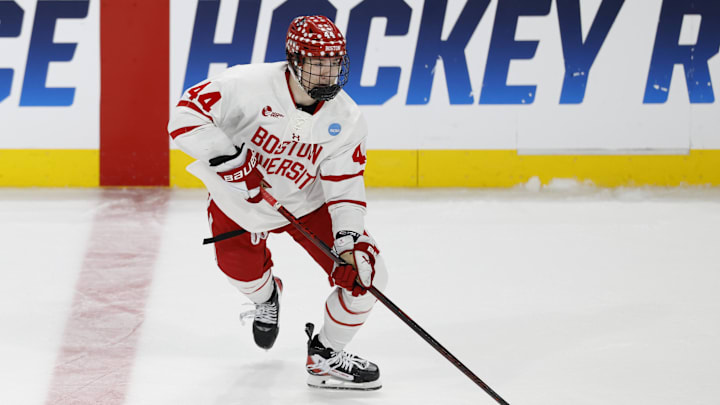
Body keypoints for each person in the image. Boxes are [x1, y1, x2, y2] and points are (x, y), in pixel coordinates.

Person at [167, 15, 388, 391]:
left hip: (307, 203)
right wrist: (232, 163)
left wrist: (349, 244)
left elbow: (345, 187)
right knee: (241, 274)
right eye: (318, 65)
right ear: (295, 61)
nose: (327, 74)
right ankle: (267, 296)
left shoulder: (347, 119)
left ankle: (326, 356)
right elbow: (184, 117)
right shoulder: (245, 84)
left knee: (369, 276)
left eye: (334, 64)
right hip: (241, 203)